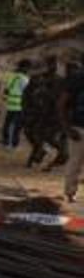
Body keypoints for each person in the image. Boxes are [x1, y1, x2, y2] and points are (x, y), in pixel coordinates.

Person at [22, 56, 67, 170]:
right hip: (40, 113)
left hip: (54, 113)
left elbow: (58, 97)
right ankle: (42, 154)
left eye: (53, 64)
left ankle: (58, 153)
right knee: (34, 134)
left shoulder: (58, 80)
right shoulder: (40, 80)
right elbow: (29, 97)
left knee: (46, 135)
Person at [59, 61, 84, 202]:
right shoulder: (77, 80)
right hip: (78, 128)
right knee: (75, 162)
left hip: (76, 127)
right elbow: (61, 104)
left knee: (75, 162)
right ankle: (70, 193)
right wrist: (67, 128)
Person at [2, 60, 31, 150]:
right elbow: (28, 92)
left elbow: (6, 91)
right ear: (24, 67)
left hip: (10, 104)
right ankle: (15, 145)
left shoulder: (11, 76)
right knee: (17, 127)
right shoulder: (24, 79)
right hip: (19, 105)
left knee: (7, 125)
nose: (28, 70)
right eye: (28, 68)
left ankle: (6, 144)